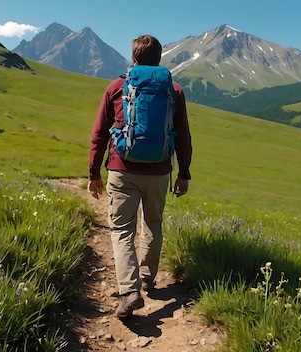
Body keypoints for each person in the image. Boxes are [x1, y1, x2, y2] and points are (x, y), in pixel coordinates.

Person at [87, 34, 193, 319]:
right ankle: (147, 278)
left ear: (133, 58)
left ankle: (129, 290)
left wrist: (93, 173)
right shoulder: (174, 90)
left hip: (121, 169)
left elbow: (99, 134)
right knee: (153, 224)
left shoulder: (116, 88)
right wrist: (184, 173)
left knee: (122, 230)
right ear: (159, 59)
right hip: (159, 171)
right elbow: (183, 136)